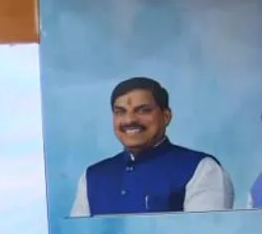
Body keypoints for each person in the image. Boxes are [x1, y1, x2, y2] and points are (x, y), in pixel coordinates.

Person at [70, 77, 233, 217]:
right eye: (120, 112)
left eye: (143, 110)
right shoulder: (93, 177)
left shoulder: (201, 169)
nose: (129, 120)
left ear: (166, 116)